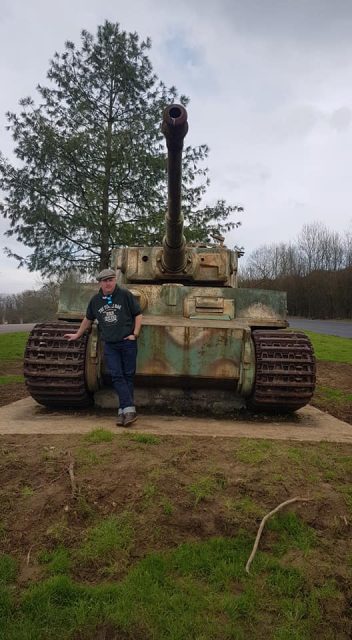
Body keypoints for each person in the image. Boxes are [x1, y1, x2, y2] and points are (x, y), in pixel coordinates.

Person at [64, 268, 143, 427]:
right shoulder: (96, 300)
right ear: (100, 283)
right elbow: (88, 319)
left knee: (128, 375)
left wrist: (135, 334)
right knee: (116, 375)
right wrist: (77, 334)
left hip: (127, 342)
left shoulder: (125, 295)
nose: (108, 283)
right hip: (110, 344)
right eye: (105, 281)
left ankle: (124, 411)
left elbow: (138, 314)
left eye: (111, 280)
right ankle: (129, 409)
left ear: (115, 280)